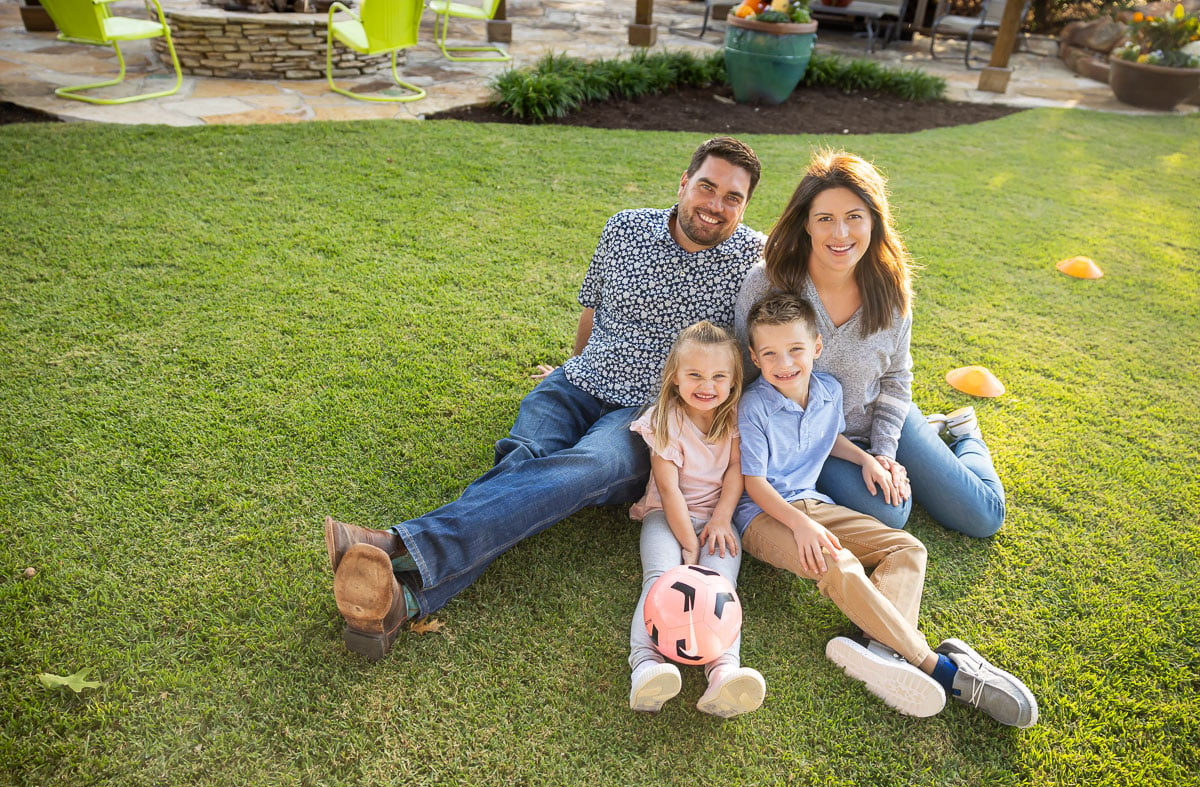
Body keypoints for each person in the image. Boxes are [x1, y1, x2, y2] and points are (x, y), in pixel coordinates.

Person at [325, 137, 767, 660]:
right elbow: (592, 310)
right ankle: (404, 603)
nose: (716, 205)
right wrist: (569, 367)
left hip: (650, 415)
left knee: (581, 468)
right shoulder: (626, 227)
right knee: (523, 462)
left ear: (745, 206)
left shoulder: (751, 262)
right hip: (578, 381)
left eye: (733, 198)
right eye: (707, 187)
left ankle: (395, 544)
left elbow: (767, 345)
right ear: (683, 183)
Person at [735, 293, 1037, 726]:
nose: (784, 362)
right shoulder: (755, 405)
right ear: (754, 356)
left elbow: (829, 439)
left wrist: (867, 459)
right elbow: (754, 484)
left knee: (908, 549)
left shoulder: (828, 391)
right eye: (770, 353)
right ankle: (937, 667)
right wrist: (800, 525)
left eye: (795, 349)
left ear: (817, 347)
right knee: (838, 565)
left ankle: (879, 650)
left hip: (813, 504)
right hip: (765, 517)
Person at [734, 150, 1005, 539]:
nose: (840, 234)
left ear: (874, 222)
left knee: (984, 517)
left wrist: (884, 453)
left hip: (879, 415)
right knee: (892, 512)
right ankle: (928, 437)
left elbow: (896, 375)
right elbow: (746, 367)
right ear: (806, 225)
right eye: (825, 219)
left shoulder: (890, 291)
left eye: (854, 218)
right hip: (811, 440)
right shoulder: (769, 282)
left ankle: (964, 435)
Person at [626, 321, 765, 718]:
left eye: (719, 376)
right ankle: (646, 666)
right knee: (662, 578)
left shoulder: (735, 417)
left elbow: (736, 470)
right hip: (667, 518)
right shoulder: (664, 418)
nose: (707, 385)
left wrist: (721, 520)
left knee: (721, 587)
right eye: (695, 375)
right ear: (675, 377)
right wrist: (688, 543)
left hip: (717, 518)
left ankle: (723, 672)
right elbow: (669, 491)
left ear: (735, 380)